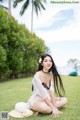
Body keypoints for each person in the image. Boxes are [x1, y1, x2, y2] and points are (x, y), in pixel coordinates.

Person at [9, 54, 67, 118]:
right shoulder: (37, 75)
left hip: (47, 99)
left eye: (50, 61)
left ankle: (44, 109)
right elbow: (43, 94)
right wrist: (53, 107)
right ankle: (37, 109)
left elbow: (51, 90)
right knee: (48, 109)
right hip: (36, 100)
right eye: (46, 61)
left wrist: (54, 106)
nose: (48, 63)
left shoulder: (51, 75)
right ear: (42, 63)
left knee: (65, 100)